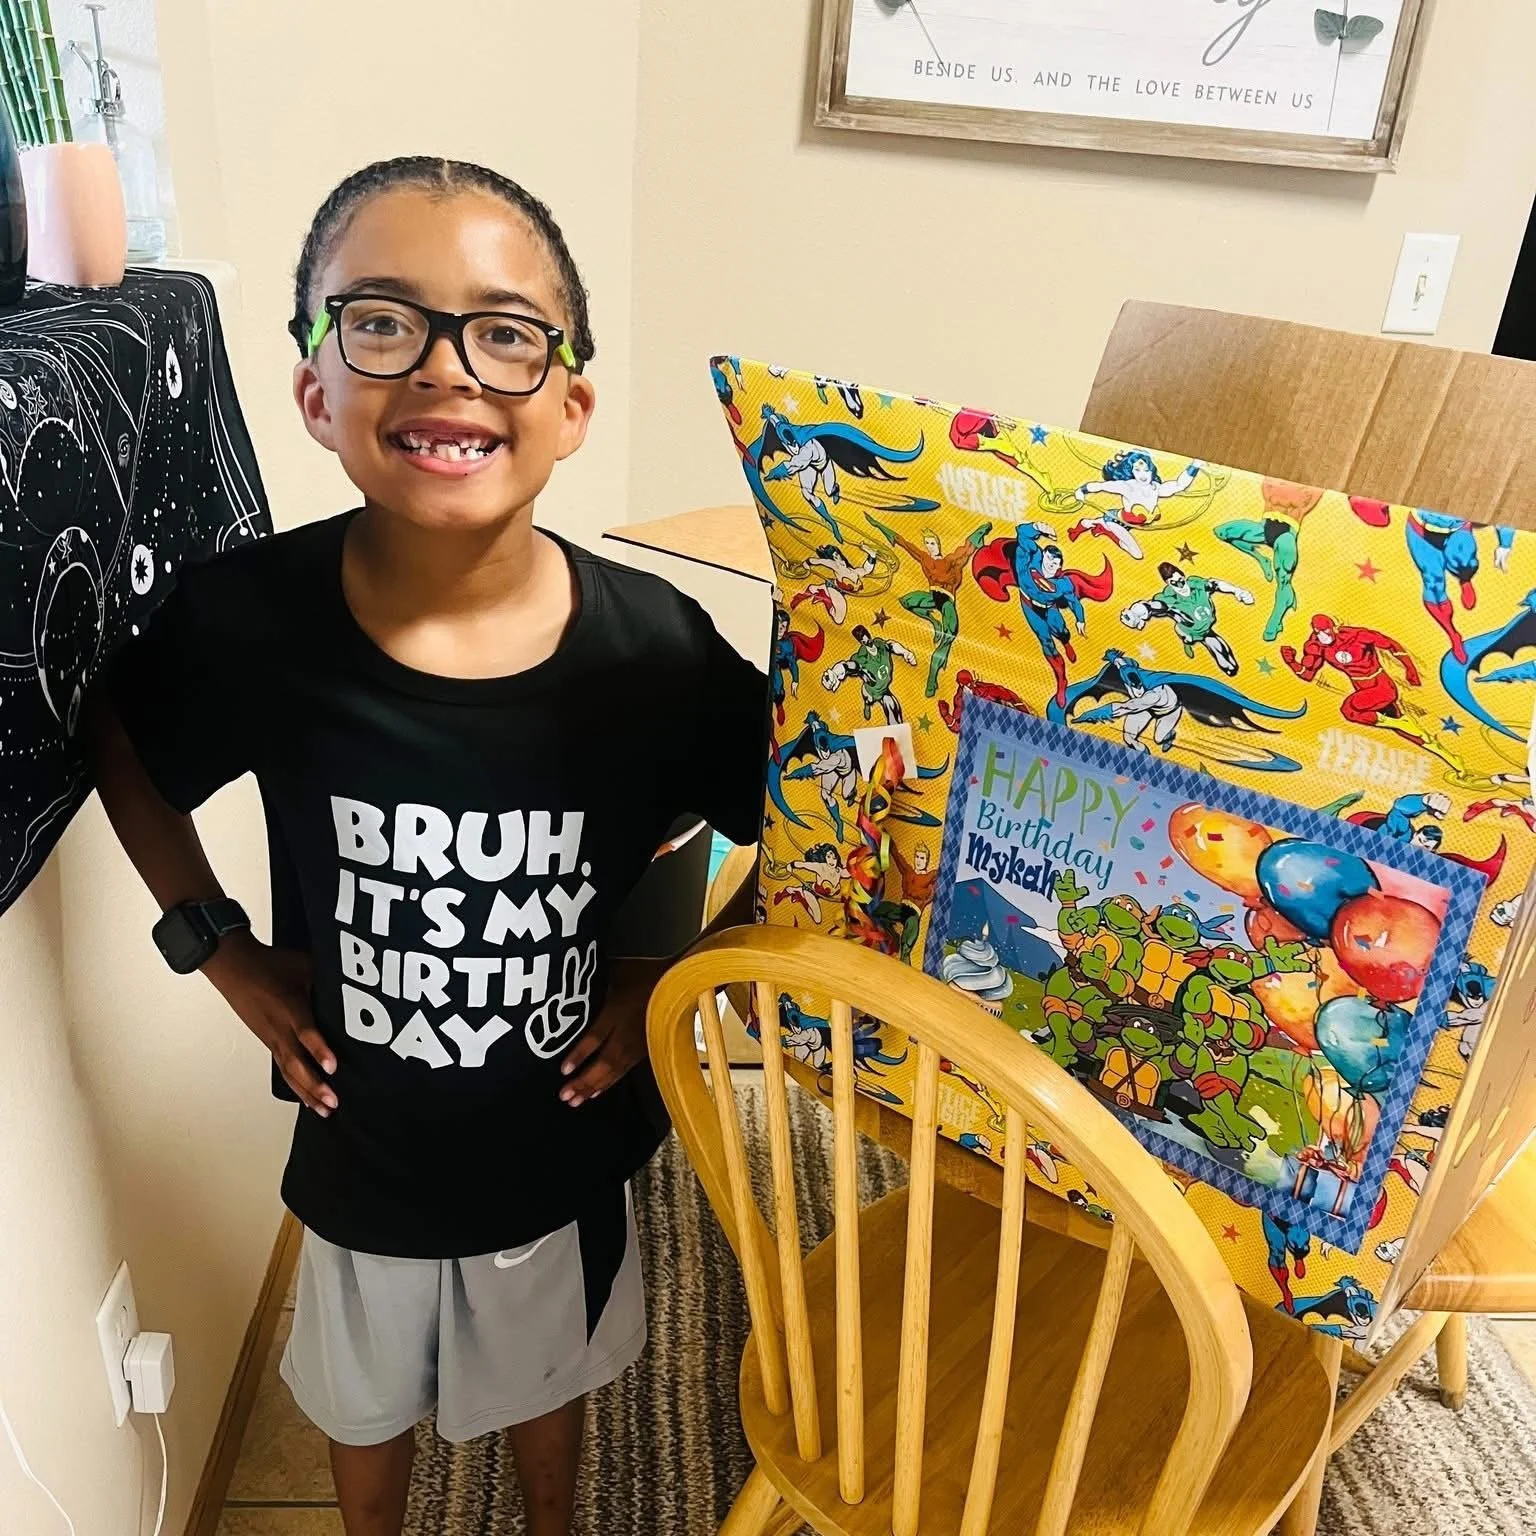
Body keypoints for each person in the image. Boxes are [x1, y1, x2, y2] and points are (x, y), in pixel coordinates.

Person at [85, 157, 767, 1536]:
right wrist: (219, 950)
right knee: (361, 1400)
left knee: (546, 1377)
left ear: (571, 405)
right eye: (384, 321)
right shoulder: (253, 625)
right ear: (316, 389)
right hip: (362, 1138)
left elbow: (795, 823)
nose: (449, 370)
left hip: (555, 1133)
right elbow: (121, 743)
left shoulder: (652, 650)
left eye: (507, 333)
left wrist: (663, 978)